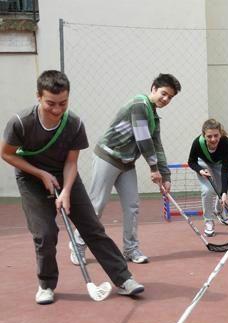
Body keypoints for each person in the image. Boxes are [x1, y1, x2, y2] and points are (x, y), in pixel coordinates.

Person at [0, 70, 144, 304]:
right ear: (38, 96)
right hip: (31, 177)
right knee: (45, 233)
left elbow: (71, 162)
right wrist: (40, 174)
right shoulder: (21, 122)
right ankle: (46, 285)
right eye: (50, 103)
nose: (57, 110)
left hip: (65, 175)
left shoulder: (74, 124)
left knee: (92, 228)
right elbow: (7, 154)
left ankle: (124, 279)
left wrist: (66, 191)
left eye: (63, 103)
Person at [72, 73, 181, 264]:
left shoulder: (154, 116)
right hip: (108, 157)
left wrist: (165, 175)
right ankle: (78, 245)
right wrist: (153, 168)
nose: (166, 99)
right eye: (164, 93)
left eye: (170, 97)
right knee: (97, 205)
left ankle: (130, 249)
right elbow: (142, 138)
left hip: (127, 163)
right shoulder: (139, 105)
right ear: (153, 88)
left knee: (132, 206)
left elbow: (157, 146)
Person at [187, 118, 228, 237]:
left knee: (222, 191)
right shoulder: (197, 143)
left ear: (220, 133)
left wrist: (224, 192)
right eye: (209, 136)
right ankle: (208, 221)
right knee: (207, 190)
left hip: (219, 164)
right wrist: (200, 170)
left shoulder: (227, 144)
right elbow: (191, 162)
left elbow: (226, 169)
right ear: (204, 135)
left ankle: (219, 211)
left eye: (216, 135)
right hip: (203, 164)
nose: (213, 139)